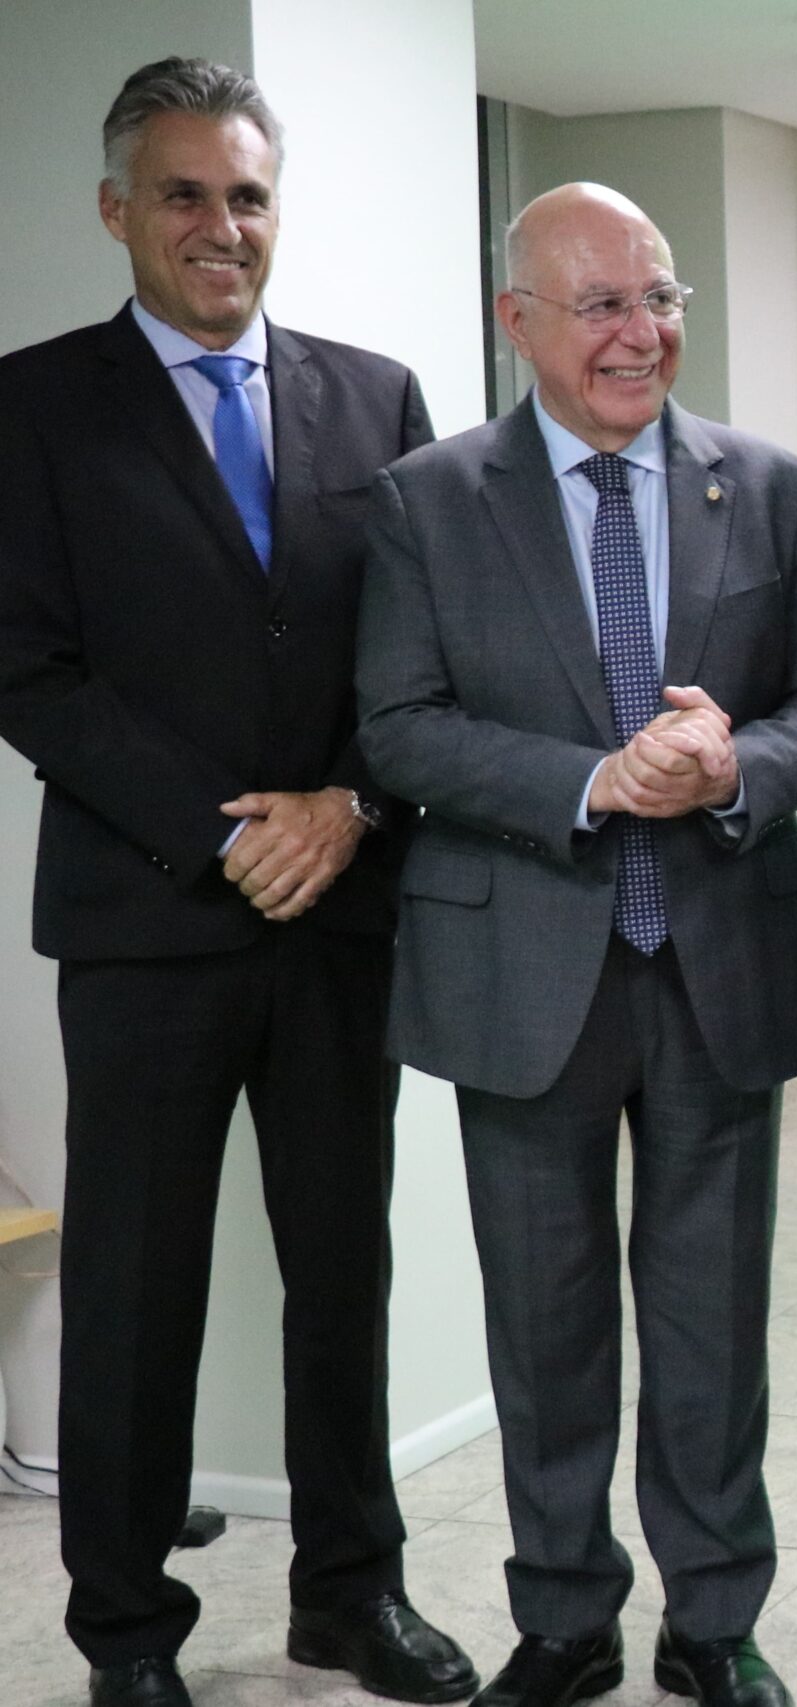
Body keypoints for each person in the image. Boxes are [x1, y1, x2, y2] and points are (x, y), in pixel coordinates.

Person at [0, 57, 475, 1707]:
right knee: (135, 1288)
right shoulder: (30, 408)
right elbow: (30, 669)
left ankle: (352, 1593)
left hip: (341, 912)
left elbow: (425, 651)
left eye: (249, 196)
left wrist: (348, 805)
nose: (223, 226)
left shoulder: (379, 399)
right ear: (117, 209)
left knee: (343, 1272)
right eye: (186, 195)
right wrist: (225, 833)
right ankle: (128, 1631)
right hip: (148, 924)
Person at [355, 182, 797, 1707]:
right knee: (546, 1322)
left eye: (660, 297)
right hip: (522, 973)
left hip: (718, 962)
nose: (642, 333)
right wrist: (593, 782)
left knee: (713, 1324)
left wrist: (736, 765)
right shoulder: (428, 500)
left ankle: (715, 1620)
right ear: (519, 322)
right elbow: (399, 727)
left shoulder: (769, 488)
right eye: (603, 306)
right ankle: (565, 1618)